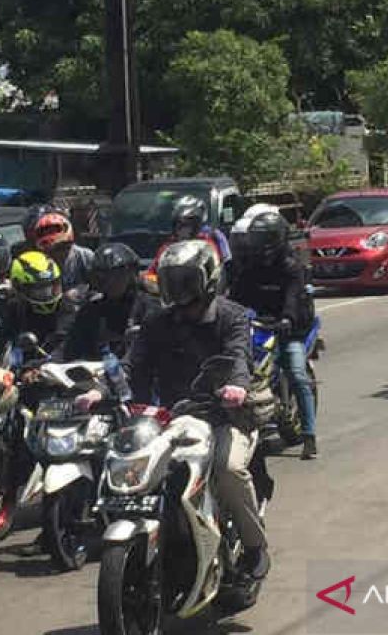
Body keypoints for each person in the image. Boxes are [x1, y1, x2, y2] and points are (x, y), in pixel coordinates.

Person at [121, 239, 269, 579]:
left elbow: (238, 356)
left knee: (227, 469)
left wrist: (236, 387)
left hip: (223, 416)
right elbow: (134, 362)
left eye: (186, 280)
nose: (179, 289)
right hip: (170, 419)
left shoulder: (231, 316)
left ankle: (254, 546)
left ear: (208, 278)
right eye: (172, 281)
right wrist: (103, 387)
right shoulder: (158, 321)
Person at [227, 211, 320, 460]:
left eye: (265, 238)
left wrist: (287, 319)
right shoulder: (250, 268)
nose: (260, 245)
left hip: (287, 329)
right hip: (256, 326)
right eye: (257, 239)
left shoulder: (291, 267)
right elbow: (236, 297)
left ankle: (310, 436)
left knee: (297, 373)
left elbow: (293, 296)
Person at [57, 242, 152, 362]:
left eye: (117, 276)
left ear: (132, 274)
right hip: (96, 377)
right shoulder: (91, 310)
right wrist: (43, 367)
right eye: (103, 277)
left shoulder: (149, 309)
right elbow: (68, 349)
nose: (110, 282)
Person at [0, 250, 77, 359]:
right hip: (23, 370)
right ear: (19, 288)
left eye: (52, 287)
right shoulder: (14, 308)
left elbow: (62, 343)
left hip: (56, 368)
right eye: (39, 290)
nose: (47, 294)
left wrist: (38, 365)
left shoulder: (68, 308)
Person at [149, 195, 232, 275]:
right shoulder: (167, 248)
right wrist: (147, 280)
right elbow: (152, 273)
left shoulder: (208, 244)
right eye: (179, 224)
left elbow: (219, 273)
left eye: (187, 225)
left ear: (197, 225)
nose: (181, 229)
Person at [33, 211, 95, 292]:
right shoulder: (38, 263)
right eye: (52, 250)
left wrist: (79, 292)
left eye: (61, 248)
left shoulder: (84, 256)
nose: (58, 254)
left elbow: (98, 286)